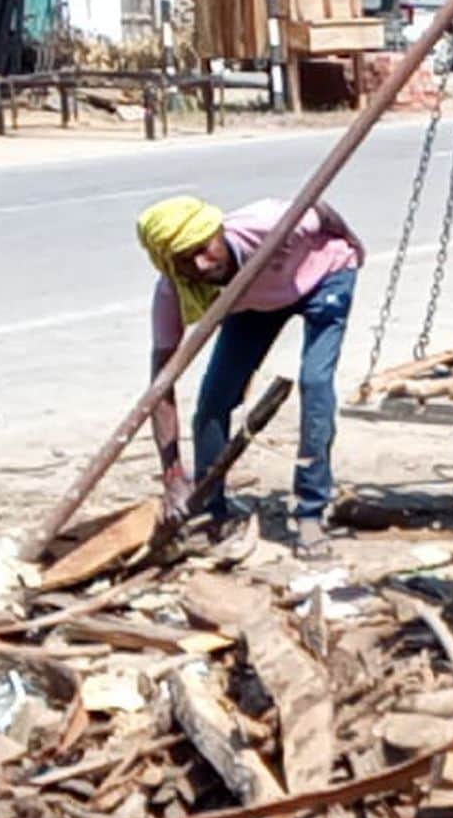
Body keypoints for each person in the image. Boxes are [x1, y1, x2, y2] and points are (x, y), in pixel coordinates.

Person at [136, 195, 364, 556]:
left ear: (217, 232)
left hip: (324, 277)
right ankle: (210, 510)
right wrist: (173, 476)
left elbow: (319, 210)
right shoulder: (175, 290)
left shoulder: (267, 223)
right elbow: (161, 384)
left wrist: (352, 240)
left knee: (315, 384)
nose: (200, 263)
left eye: (204, 249)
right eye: (183, 261)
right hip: (253, 302)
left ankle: (310, 511)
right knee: (214, 401)